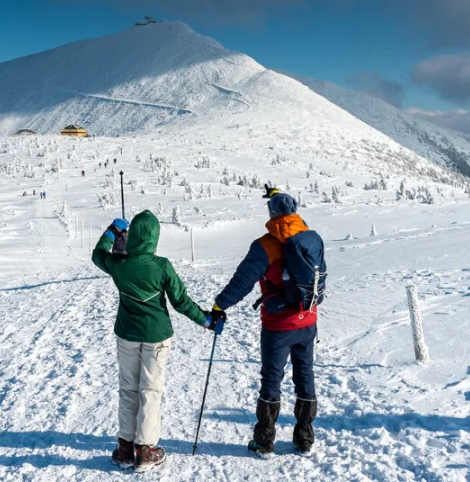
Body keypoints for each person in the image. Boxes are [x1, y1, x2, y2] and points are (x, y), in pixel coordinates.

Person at [92, 211, 219, 472]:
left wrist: (112, 232)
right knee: (150, 391)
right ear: (154, 238)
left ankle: (126, 449)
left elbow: (97, 254)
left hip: (127, 333)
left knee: (128, 389)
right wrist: (205, 321)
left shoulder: (119, 264)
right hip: (157, 337)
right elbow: (181, 302)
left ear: (134, 236)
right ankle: (146, 451)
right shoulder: (162, 266)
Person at [210, 187, 319, 455]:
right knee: (305, 375)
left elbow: (242, 282)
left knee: (272, 378)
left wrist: (219, 305)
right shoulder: (308, 237)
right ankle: (304, 438)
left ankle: (264, 440)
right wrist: (279, 195)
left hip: (278, 325)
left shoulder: (264, 246)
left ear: (271, 214)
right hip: (307, 320)